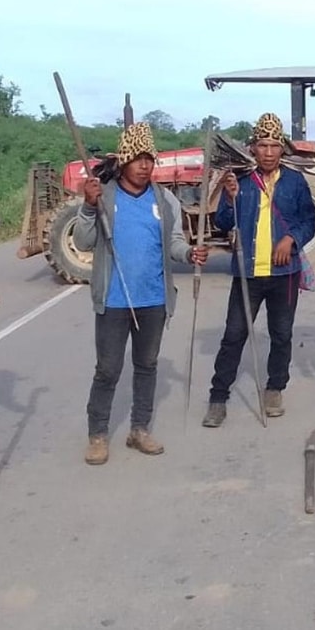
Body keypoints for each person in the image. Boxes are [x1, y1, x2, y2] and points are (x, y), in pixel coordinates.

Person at [74, 121, 207, 465]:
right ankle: (98, 435)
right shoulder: (102, 195)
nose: (145, 166)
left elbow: (174, 243)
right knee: (107, 369)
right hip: (114, 301)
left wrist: (189, 253)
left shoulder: (165, 201)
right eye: (138, 159)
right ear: (124, 162)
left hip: (154, 299)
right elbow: (83, 242)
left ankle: (139, 429)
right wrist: (88, 207)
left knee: (146, 366)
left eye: (150, 159)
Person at [202, 113, 315, 427]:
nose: (268, 152)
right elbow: (224, 223)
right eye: (262, 145)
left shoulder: (295, 181)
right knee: (234, 335)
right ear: (252, 148)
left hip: (285, 274)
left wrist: (292, 239)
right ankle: (218, 396)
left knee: (282, 335)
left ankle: (274, 388)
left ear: (282, 149)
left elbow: (310, 219)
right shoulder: (239, 181)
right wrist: (228, 198)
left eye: (273, 145)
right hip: (247, 272)